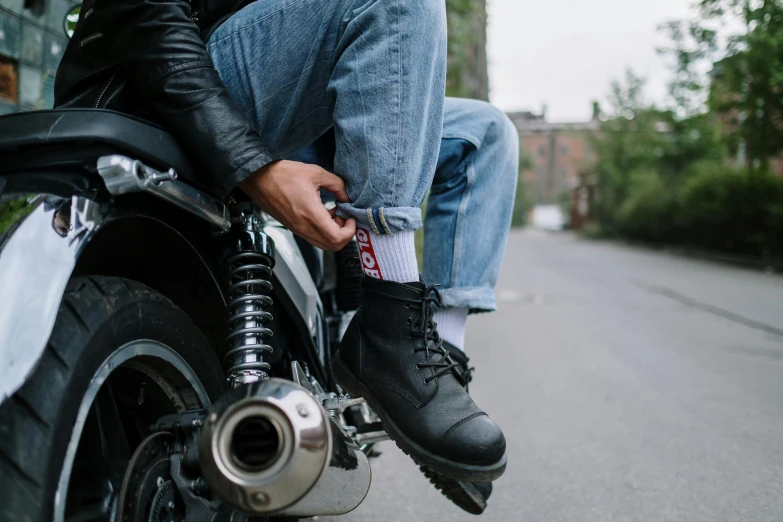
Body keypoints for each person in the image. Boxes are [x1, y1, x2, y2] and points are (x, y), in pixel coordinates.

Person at [54, 0, 518, 512]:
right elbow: (146, 16)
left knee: (485, 135)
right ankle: (390, 324)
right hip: (155, 77)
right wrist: (257, 168)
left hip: (261, 83)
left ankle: (439, 359)